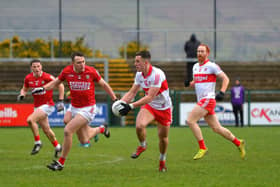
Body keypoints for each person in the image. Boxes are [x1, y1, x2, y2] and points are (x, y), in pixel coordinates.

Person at [32, 52, 118, 171]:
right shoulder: (67, 71)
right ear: (73, 63)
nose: (82, 65)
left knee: (68, 131)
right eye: (79, 62)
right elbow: (56, 82)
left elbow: (104, 84)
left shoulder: (91, 71)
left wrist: (115, 99)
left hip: (88, 108)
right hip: (74, 107)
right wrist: (43, 88)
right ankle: (101, 129)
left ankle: (60, 163)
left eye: (83, 62)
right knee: (82, 137)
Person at [185, 44, 246, 160]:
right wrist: (190, 83)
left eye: (202, 51)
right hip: (203, 100)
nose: (199, 53)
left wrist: (222, 92)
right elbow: (198, 80)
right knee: (217, 128)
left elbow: (226, 78)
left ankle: (203, 147)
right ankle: (239, 143)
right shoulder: (195, 67)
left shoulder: (212, 66)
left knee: (190, 120)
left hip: (208, 99)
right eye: (198, 51)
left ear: (207, 53)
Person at [117, 50, 172, 172]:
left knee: (163, 138)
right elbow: (132, 92)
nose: (135, 64)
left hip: (164, 108)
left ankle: (162, 160)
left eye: (138, 61)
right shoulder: (139, 74)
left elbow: (149, 96)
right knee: (139, 126)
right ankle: (143, 145)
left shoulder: (158, 74)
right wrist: (120, 103)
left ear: (146, 62)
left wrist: (130, 106)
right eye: (135, 61)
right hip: (150, 106)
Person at [17, 59, 64, 157]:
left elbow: (60, 85)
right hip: (38, 107)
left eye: (38, 66)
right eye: (34, 67)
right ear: (31, 68)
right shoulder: (28, 78)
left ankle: (37, 142)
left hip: (47, 105)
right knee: (46, 130)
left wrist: (60, 100)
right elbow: (24, 88)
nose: (37, 68)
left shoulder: (47, 76)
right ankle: (58, 146)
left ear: (41, 67)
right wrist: (22, 94)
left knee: (30, 120)